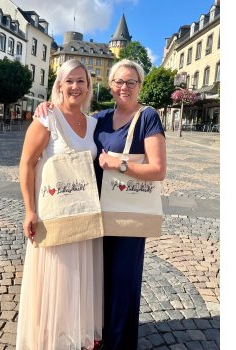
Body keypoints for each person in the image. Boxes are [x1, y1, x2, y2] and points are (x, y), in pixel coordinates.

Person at [34, 59, 167, 349]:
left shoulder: (148, 117)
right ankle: (97, 338)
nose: (124, 87)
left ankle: (119, 344)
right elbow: (73, 129)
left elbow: (158, 170)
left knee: (122, 285)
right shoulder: (102, 118)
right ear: (110, 85)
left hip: (128, 216)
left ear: (139, 85)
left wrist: (117, 164)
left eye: (131, 82)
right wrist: (47, 107)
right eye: (119, 81)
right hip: (95, 214)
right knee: (97, 283)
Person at [16, 59, 103, 350]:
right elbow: (27, 165)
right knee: (54, 279)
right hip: (53, 213)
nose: (76, 86)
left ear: (89, 87)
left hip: (82, 213)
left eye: (81, 81)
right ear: (60, 85)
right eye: (70, 80)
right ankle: (50, 339)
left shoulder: (93, 124)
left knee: (76, 277)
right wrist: (30, 210)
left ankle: (72, 333)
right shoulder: (46, 118)